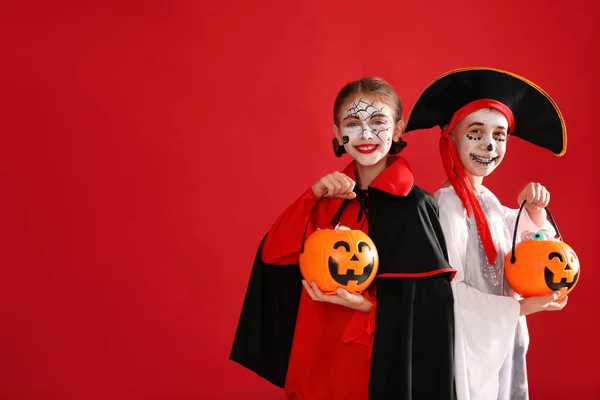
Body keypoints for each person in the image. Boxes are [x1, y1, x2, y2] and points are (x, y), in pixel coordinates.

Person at [230, 77, 457, 399]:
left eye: (378, 122)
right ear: (337, 134)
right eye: (353, 123)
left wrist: (365, 305)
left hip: (373, 365)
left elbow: (432, 311)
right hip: (318, 357)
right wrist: (311, 197)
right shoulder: (326, 201)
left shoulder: (416, 205)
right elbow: (274, 255)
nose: (365, 134)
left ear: (397, 129)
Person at [404, 67, 569, 400]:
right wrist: (523, 309)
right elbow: (451, 291)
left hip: (495, 340)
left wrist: (533, 210)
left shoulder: (489, 202)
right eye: (476, 132)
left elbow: (532, 251)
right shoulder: (448, 206)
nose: (489, 145)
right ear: (450, 137)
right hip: (466, 347)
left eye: (499, 135)